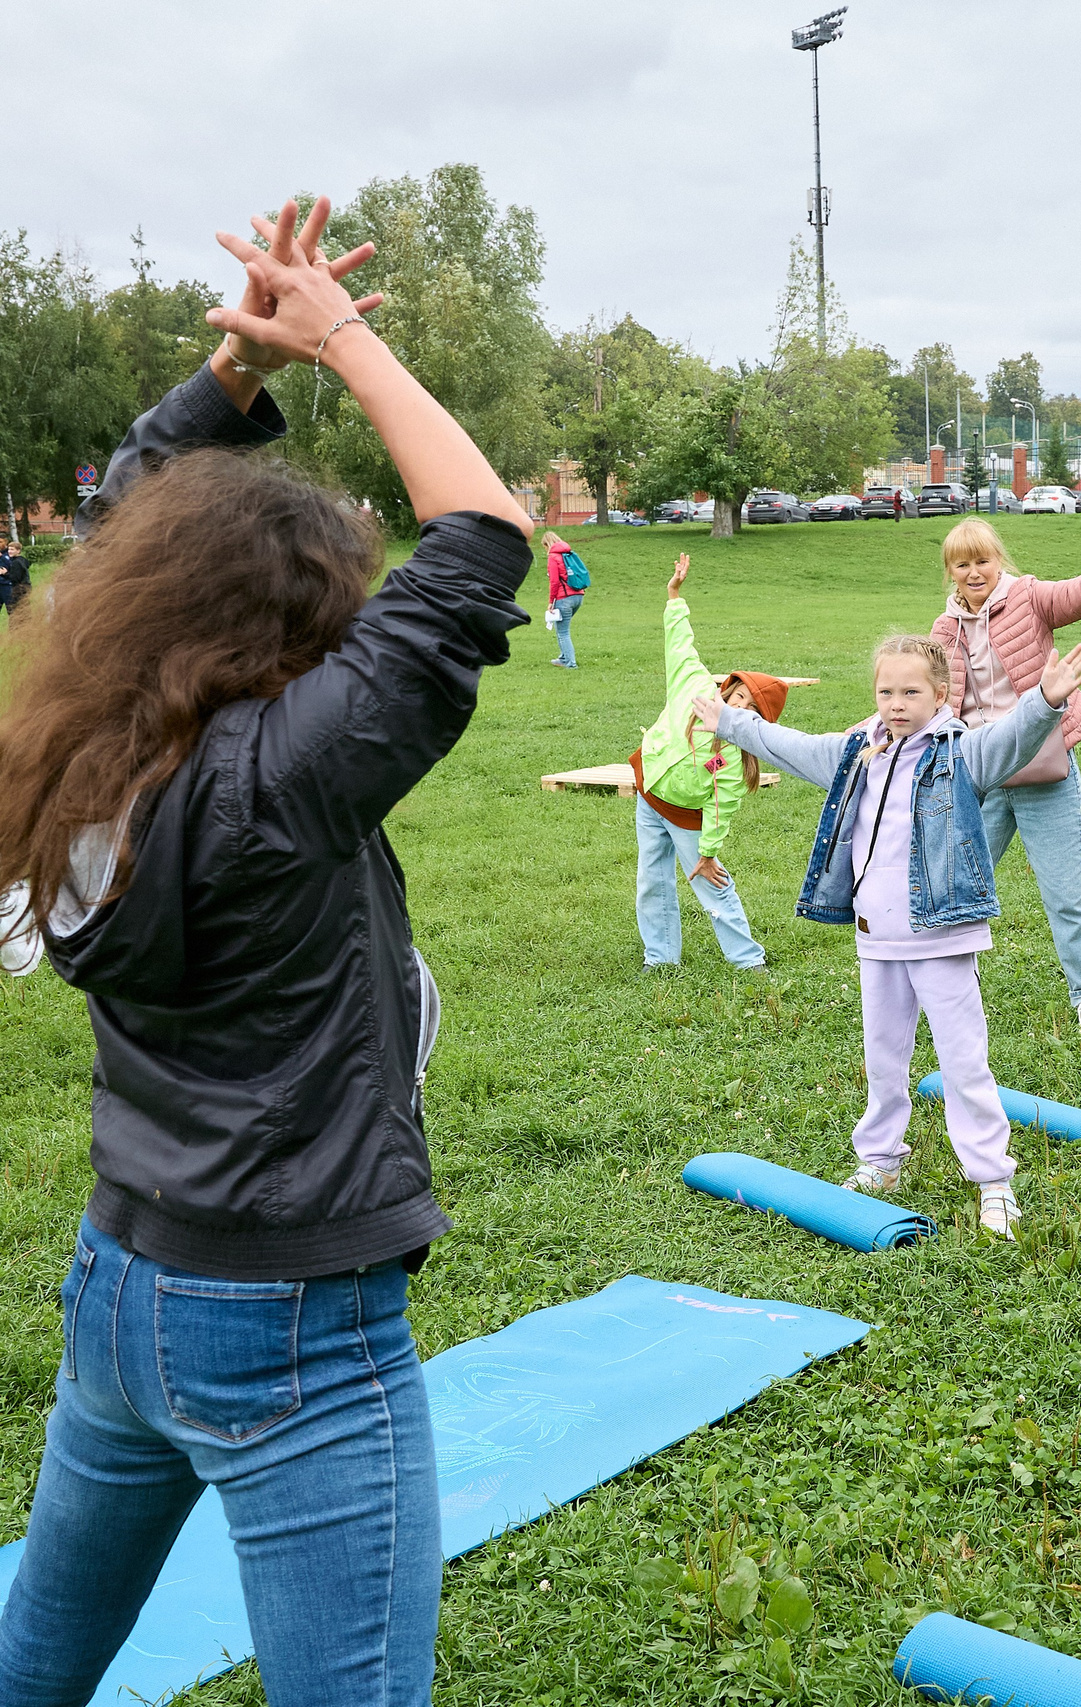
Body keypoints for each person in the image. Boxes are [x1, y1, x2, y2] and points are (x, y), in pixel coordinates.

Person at [0, 195, 531, 1705]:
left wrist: (238, 370)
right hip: (291, 1318)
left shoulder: (92, 748)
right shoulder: (281, 782)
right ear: (297, 630)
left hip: (123, 1280)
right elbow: (483, 537)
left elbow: (123, 512)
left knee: (36, 1652)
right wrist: (341, 337)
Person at [700, 635, 1081, 1238]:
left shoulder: (960, 751)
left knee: (964, 1064)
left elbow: (1009, 740)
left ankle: (993, 1181)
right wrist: (731, 721)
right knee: (883, 1061)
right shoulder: (860, 752)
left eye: (912, 691)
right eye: (886, 691)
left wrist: (1043, 700)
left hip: (939, 935)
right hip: (875, 936)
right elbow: (793, 745)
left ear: (941, 695)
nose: (897, 702)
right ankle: (881, 1162)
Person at [927, 511, 1081, 1034]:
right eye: (962, 564)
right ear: (951, 571)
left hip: (1045, 768)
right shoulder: (943, 629)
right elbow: (932, 694)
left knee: (1066, 892)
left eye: (982, 560)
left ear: (997, 558)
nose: (974, 571)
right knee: (958, 886)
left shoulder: (1027, 597)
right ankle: (956, 986)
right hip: (981, 775)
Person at [633, 553, 785, 973]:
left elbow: (722, 806)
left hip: (687, 818)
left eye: (751, 710)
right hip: (649, 797)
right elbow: (680, 644)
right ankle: (660, 959)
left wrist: (708, 852)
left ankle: (748, 960)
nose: (738, 707)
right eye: (738, 696)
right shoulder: (694, 685)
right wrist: (674, 595)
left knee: (711, 883)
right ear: (727, 686)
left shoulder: (733, 757)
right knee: (651, 881)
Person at [542, 529, 587, 667]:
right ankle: (563, 658)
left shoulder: (553, 557)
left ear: (547, 544)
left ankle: (570, 663)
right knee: (561, 628)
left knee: (563, 632)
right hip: (578, 596)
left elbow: (554, 582)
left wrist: (551, 601)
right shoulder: (569, 554)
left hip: (564, 598)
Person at [0, 537, 30, 618]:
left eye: (12, 549)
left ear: (18, 551)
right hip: (23, 588)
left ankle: (17, 629)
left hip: (18, 589)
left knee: (15, 612)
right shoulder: (20, 560)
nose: (9, 551)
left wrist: (5, 573)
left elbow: (14, 578)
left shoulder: (16, 563)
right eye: (9, 549)